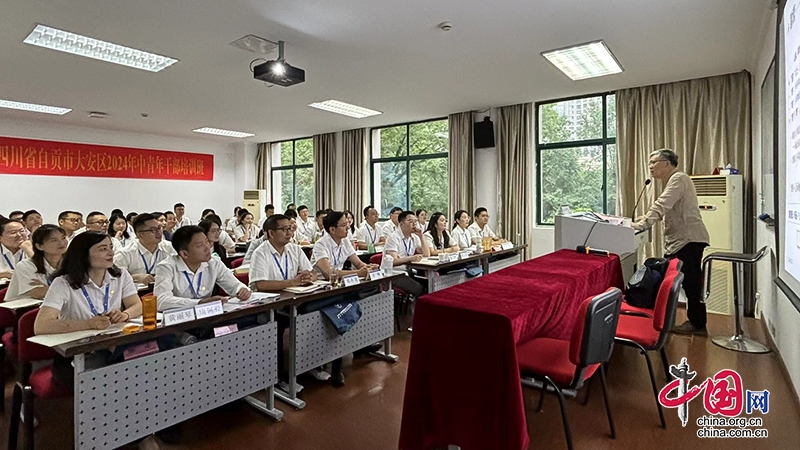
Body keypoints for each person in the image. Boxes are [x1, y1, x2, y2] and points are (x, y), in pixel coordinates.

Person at [33, 232, 142, 389]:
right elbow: (41, 326)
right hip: (77, 355)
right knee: (118, 374)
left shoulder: (120, 275)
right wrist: (88, 324)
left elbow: (137, 305)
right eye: (102, 249)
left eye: (111, 247)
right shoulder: (63, 283)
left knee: (139, 364)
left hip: (114, 345)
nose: (111, 252)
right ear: (84, 255)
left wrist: (125, 314)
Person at [633, 149, 710, 335]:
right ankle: (682, 320)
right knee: (683, 282)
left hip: (688, 241)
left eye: (654, 162)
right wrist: (646, 218)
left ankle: (698, 325)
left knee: (690, 284)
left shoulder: (678, 178)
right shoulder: (675, 180)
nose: (650, 166)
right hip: (682, 241)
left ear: (667, 163)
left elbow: (662, 204)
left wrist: (643, 223)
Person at [249, 215, 316, 391]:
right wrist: (291, 282)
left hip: (292, 301)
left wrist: (309, 276)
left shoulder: (294, 249)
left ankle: (311, 365)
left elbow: (311, 272)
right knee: (276, 328)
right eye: (284, 229)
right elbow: (260, 284)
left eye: (290, 229)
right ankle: (279, 378)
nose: (289, 233)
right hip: (267, 307)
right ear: (271, 233)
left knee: (315, 317)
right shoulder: (260, 253)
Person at [154, 226, 250, 311]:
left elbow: (235, 285)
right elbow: (161, 300)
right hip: (179, 322)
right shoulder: (166, 267)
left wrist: (241, 290)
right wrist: (200, 303)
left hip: (207, 317)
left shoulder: (214, 262)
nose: (207, 247)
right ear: (184, 254)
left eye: (206, 241)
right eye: (200, 245)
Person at [6, 225, 67, 301]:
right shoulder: (26, 266)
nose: (62, 243)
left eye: (63, 238)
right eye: (54, 240)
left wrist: (48, 288)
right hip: (25, 308)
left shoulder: (72, 262)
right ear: (39, 246)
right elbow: (36, 292)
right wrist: (66, 289)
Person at [311, 211, 377, 281]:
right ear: (332, 229)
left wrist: (369, 268)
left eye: (347, 224)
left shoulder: (345, 241)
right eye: (344, 225)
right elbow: (328, 273)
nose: (348, 227)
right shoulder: (320, 245)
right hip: (322, 284)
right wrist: (358, 273)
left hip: (338, 281)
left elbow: (358, 263)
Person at [114, 213, 176, 284]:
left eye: (159, 228)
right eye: (153, 230)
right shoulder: (125, 253)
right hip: (137, 293)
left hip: (165, 290)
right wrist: (135, 277)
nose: (158, 232)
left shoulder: (169, 247)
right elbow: (115, 278)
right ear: (140, 234)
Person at [383, 211, 429, 296]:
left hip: (407, 272)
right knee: (418, 288)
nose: (414, 224)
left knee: (428, 284)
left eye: (415, 221)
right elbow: (393, 261)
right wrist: (410, 258)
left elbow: (426, 254)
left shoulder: (414, 237)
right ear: (401, 223)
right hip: (394, 274)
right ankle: (412, 308)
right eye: (410, 221)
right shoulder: (393, 237)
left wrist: (421, 236)